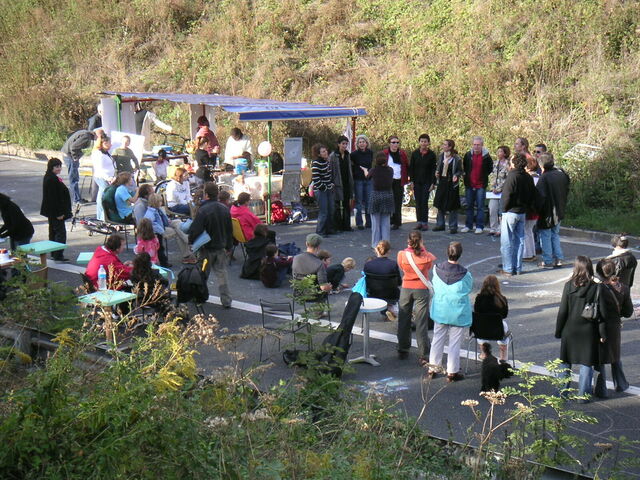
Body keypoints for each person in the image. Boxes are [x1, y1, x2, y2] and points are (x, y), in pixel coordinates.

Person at [555, 256, 600, 402]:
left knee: (565, 362)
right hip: (588, 330)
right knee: (586, 363)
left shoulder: (569, 286)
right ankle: (583, 395)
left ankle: (562, 392)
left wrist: (558, 330)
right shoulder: (595, 287)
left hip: (570, 329)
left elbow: (563, 311)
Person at [428, 241, 473, 382]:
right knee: (454, 342)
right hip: (457, 312)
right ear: (460, 254)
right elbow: (468, 288)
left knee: (437, 338)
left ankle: (433, 367)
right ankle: (452, 371)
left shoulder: (436, 269)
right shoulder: (465, 274)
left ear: (447, 252)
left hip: (441, 309)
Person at [188, 182, 233, 308]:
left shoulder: (203, 210)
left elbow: (195, 229)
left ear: (206, 194)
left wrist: (191, 241)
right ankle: (226, 300)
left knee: (202, 274)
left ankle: (200, 297)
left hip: (206, 248)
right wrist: (229, 246)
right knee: (222, 274)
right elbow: (229, 230)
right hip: (221, 246)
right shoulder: (224, 209)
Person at [594, 259, 634, 397]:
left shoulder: (597, 288)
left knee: (600, 357)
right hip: (615, 324)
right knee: (615, 355)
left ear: (599, 272)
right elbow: (628, 312)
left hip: (599, 324)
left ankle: (601, 389)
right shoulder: (623, 288)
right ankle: (621, 383)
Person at [397, 231, 437, 365]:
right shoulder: (426, 257)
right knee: (421, 322)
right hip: (421, 288)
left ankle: (403, 348)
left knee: (404, 319)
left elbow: (401, 267)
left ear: (408, 241)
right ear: (420, 241)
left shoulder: (402, 255)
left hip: (406, 287)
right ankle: (424, 354)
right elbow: (429, 266)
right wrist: (422, 247)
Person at [498, 153, 536, 276]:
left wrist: (502, 210)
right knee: (519, 241)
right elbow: (532, 194)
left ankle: (508, 268)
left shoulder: (512, 176)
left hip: (510, 212)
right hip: (522, 212)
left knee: (506, 242)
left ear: (514, 163)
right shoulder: (528, 177)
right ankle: (517, 267)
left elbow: (506, 195)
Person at [536, 152, 570, 269]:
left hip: (547, 211)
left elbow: (540, 196)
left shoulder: (544, 177)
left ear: (541, 165)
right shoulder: (561, 174)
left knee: (545, 235)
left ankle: (547, 260)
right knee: (555, 234)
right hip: (560, 208)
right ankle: (559, 258)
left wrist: (536, 209)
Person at [144, 193, 196, 266]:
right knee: (178, 232)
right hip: (159, 231)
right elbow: (154, 225)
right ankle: (188, 248)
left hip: (164, 224)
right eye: (160, 201)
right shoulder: (150, 214)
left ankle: (188, 240)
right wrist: (162, 230)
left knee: (178, 222)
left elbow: (163, 219)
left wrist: (169, 221)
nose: (161, 203)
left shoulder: (158, 209)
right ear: (156, 202)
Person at [40, 158, 72, 262]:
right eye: (57, 167)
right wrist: (59, 213)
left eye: (60, 166)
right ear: (51, 167)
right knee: (60, 233)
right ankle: (58, 255)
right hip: (56, 212)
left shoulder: (51, 177)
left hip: (52, 212)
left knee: (53, 232)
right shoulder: (52, 179)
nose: (59, 168)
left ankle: (55, 253)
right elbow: (53, 199)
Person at [474, 275, 510, 363]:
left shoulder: (479, 298)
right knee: (504, 329)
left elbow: (476, 312)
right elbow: (504, 315)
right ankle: (503, 356)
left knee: (479, 326)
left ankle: (484, 353)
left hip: (482, 329)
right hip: (497, 328)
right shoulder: (502, 299)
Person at [461, 136, 493, 234]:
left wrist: (483, 177)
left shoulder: (486, 157)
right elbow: (465, 167)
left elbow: (490, 169)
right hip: (469, 184)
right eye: (474, 144)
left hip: (481, 185)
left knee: (480, 207)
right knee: (469, 206)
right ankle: (468, 225)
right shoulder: (468, 155)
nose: (476, 147)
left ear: (482, 145)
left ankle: (479, 226)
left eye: (478, 145)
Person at [364, 240, 401, 320]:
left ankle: (388, 311)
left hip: (373, 294)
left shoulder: (368, 264)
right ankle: (391, 310)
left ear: (376, 250)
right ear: (389, 251)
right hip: (390, 294)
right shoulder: (393, 264)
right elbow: (399, 282)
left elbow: (365, 281)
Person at [433, 139, 463, 234]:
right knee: (440, 203)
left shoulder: (456, 158)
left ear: (450, 147)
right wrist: (437, 172)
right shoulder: (441, 156)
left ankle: (453, 226)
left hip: (451, 184)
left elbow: (460, 171)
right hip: (442, 182)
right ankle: (440, 224)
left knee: (452, 205)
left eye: (445, 145)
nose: (443, 146)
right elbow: (438, 167)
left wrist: (456, 175)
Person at [291, 233, 332, 302]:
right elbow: (323, 287)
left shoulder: (295, 258)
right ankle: (319, 309)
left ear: (306, 244)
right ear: (318, 247)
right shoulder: (319, 263)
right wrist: (329, 288)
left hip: (298, 294)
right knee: (325, 291)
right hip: (314, 295)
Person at [409, 133, 437, 231]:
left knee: (424, 202)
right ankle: (419, 222)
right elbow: (411, 168)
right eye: (422, 141)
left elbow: (433, 169)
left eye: (425, 141)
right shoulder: (415, 154)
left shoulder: (432, 155)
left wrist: (433, 183)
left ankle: (425, 223)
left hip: (427, 182)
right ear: (419, 142)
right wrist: (411, 181)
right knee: (418, 202)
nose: (423, 143)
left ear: (428, 143)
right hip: (417, 182)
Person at [61, 129, 97, 203]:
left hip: (68, 155)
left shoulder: (86, 133)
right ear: (96, 135)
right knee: (74, 179)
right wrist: (75, 157)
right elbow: (73, 147)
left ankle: (77, 198)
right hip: (69, 156)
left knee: (75, 178)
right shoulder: (86, 136)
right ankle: (76, 199)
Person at [367, 151, 394, 249]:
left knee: (375, 223)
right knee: (385, 222)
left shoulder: (373, 170)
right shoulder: (390, 170)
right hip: (388, 196)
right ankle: (386, 243)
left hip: (376, 196)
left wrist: (365, 171)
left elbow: (368, 177)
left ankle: (375, 243)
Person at [382, 135, 409, 230]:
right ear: (389, 143)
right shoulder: (385, 153)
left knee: (397, 201)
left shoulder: (402, 154)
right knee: (388, 201)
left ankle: (397, 221)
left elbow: (406, 165)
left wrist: (407, 178)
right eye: (393, 142)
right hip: (388, 180)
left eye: (397, 142)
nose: (395, 144)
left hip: (399, 180)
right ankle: (389, 219)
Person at [329, 135, 354, 232]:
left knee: (346, 204)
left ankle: (346, 225)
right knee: (337, 206)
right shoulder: (333, 156)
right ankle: (337, 226)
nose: (345, 146)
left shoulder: (347, 155)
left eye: (346, 144)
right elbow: (330, 170)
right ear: (338, 144)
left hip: (347, 182)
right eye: (343, 144)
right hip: (337, 183)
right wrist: (331, 182)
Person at [311, 143, 335, 237]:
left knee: (330, 209)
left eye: (326, 151)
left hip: (328, 189)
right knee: (323, 211)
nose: (326, 153)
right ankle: (320, 231)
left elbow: (328, 175)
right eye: (323, 152)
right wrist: (324, 187)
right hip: (320, 190)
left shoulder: (326, 162)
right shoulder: (316, 163)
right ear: (319, 154)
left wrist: (330, 184)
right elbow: (316, 179)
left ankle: (329, 229)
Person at [350, 134, 373, 230]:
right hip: (358, 180)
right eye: (360, 142)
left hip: (368, 179)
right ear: (357, 144)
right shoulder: (354, 154)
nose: (362, 144)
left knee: (369, 201)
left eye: (363, 142)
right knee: (358, 202)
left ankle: (369, 222)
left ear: (366, 143)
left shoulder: (370, 153)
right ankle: (359, 222)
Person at [92, 135, 116, 221]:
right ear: (104, 143)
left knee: (105, 196)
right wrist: (108, 178)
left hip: (109, 177)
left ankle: (104, 217)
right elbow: (99, 169)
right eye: (109, 143)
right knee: (103, 197)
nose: (111, 144)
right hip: (102, 177)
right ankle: (101, 217)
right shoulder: (98, 154)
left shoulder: (106, 152)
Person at [487, 146, 510, 237]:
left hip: (503, 191)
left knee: (502, 210)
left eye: (500, 151)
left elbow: (508, 178)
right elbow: (492, 176)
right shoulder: (495, 163)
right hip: (494, 191)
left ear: (505, 153)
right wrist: (492, 187)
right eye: (498, 151)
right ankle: (493, 228)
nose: (498, 153)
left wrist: (500, 188)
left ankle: (500, 229)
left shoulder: (508, 165)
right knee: (492, 208)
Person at [522, 155, 541, 261]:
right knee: (529, 231)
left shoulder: (530, 178)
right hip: (534, 208)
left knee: (526, 230)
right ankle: (531, 252)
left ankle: (527, 254)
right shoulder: (537, 177)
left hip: (530, 208)